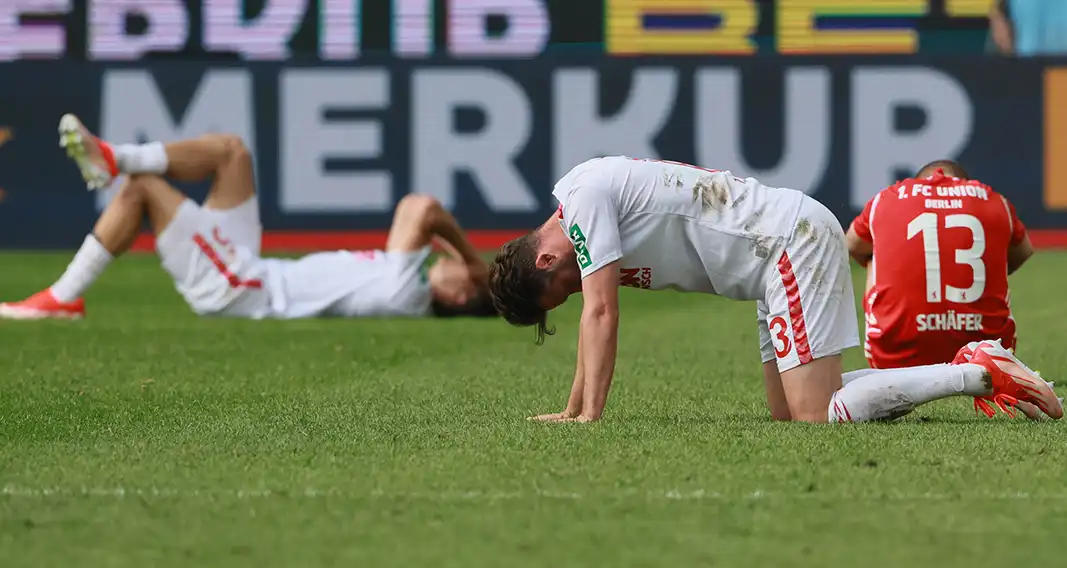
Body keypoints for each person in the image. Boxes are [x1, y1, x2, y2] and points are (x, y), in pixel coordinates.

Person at [488, 156, 1062, 423]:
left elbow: (601, 313)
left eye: (556, 290)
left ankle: (980, 372)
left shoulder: (583, 200)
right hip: (771, 262)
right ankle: (974, 367)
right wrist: (575, 410)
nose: (572, 293)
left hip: (786, 243)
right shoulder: (583, 200)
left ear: (544, 257)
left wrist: (586, 415)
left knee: (817, 415)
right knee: (790, 411)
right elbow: (594, 312)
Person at [0, 114, 496, 321]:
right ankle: (115, 157)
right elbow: (421, 218)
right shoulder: (402, 280)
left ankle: (60, 299)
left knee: (143, 191)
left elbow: (421, 207)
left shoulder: (404, 290)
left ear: (458, 292)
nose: (445, 260)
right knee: (232, 152)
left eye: (458, 274)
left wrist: (472, 258)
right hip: (250, 266)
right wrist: (464, 262)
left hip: (239, 286)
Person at [845, 160, 1036, 417]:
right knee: (998, 261)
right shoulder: (993, 199)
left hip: (894, 358)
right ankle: (988, 357)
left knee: (872, 257)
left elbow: (851, 246)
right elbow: (1023, 252)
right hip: (985, 348)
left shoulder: (886, 198)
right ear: (964, 181)